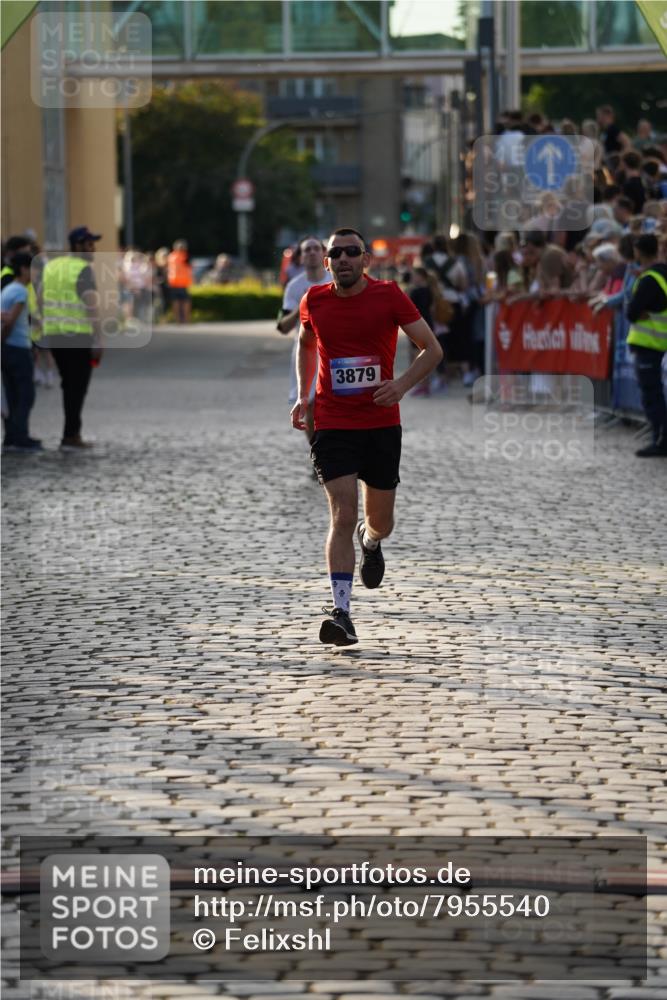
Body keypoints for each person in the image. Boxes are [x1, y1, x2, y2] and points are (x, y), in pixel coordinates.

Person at [291, 227, 442, 646]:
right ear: (327, 263)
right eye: (335, 253)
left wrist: (401, 385)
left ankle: (371, 542)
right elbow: (305, 344)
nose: (343, 259)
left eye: (351, 252)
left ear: (365, 260)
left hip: (380, 424)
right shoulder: (314, 301)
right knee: (342, 512)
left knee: (381, 522)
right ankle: (341, 612)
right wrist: (306, 397)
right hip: (334, 423)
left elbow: (432, 349)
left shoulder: (389, 295)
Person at [38, 225, 103, 450]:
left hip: (55, 335)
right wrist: (98, 339)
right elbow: (91, 306)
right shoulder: (82, 269)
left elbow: (39, 298)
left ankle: (71, 433)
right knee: (78, 386)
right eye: (89, 244)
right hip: (78, 336)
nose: (93, 249)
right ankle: (71, 435)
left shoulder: (52, 266)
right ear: (77, 246)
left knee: (69, 384)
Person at [277, 236, 330, 442]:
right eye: (306, 250)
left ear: (324, 253)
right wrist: (304, 304)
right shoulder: (294, 286)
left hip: (334, 350)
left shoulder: (334, 280)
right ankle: (316, 455)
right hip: (306, 350)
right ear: (300, 257)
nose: (312, 253)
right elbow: (282, 326)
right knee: (309, 406)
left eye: (316, 248)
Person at [625, 234, 667, 457]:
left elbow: (631, 312)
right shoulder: (662, 275)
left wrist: (636, 311)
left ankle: (660, 440)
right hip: (658, 342)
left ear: (638, 251)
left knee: (652, 395)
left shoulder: (649, 279)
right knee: (655, 393)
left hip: (650, 342)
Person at [1, 252, 41, 452]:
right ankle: (20, 436)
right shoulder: (20, 292)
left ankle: (11, 436)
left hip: (9, 348)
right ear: (24, 269)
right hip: (17, 347)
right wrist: (4, 339)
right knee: (25, 394)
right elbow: (10, 321)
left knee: (11, 393)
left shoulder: (8, 289)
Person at [167, 239, 193, 323]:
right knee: (183, 302)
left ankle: (179, 320)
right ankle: (184, 319)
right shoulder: (184, 256)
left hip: (176, 282)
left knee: (178, 302)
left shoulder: (171, 256)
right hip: (180, 282)